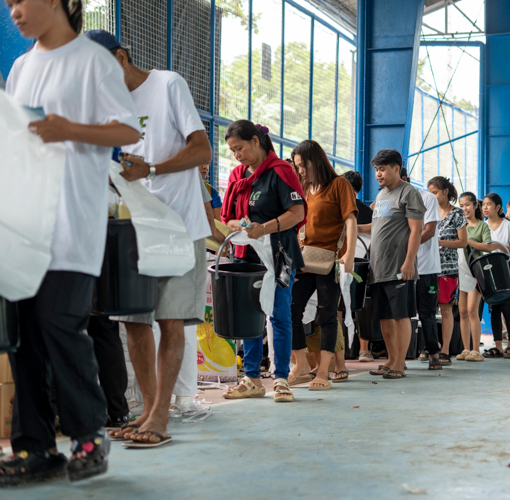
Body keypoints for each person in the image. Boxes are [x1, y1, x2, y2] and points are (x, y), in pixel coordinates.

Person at [1, 1, 140, 484]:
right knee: (23, 341)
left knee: (60, 324)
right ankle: (34, 448)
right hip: (23, 226)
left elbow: (128, 128)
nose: (13, 10)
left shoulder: (92, 61)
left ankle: (88, 435)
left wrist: (67, 129)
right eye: (9, 2)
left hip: (71, 226)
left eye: (22, 0)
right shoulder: (20, 68)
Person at [86, 30, 214, 448]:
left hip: (178, 226)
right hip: (135, 227)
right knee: (134, 323)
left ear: (120, 57)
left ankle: (161, 414)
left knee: (169, 319)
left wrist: (153, 170)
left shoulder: (167, 84)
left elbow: (202, 151)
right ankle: (145, 410)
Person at [221, 120, 307, 400]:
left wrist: (263, 228)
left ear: (256, 142)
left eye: (240, 148)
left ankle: (281, 378)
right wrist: (239, 225)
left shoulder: (280, 172)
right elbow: (226, 216)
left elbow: (297, 213)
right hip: (246, 255)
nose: (237, 155)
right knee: (250, 316)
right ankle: (252, 379)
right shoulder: (236, 175)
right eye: (233, 151)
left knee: (279, 314)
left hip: (279, 254)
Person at [288, 140, 357, 391]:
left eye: (303, 165)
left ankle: (325, 372)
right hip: (304, 261)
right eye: (297, 167)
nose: (301, 171)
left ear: (316, 160)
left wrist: (348, 254)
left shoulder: (339, 184)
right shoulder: (303, 188)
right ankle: (302, 363)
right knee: (289, 309)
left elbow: (350, 220)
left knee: (327, 314)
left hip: (330, 261)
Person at [358, 150, 425, 379]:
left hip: (399, 267)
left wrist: (408, 262)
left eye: (383, 169)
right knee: (385, 317)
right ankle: (390, 359)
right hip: (378, 268)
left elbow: (416, 230)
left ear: (397, 168)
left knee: (401, 315)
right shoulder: (381, 197)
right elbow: (375, 228)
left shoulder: (408, 193)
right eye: (376, 169)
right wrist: (353, 229)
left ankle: (400, 362)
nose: (378, 174)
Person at [400, 169, 442, 371]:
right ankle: (400, 358)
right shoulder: (388, 198)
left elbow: (430, 230)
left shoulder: (427, 198)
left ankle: (434, 354)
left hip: (426, 268)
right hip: (400, 268)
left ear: (404, 179)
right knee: (402, 314)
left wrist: (409, 249)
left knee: (426, 314)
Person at [427, 176, 468, 366]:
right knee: (427, 309)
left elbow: (463, 242)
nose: (432, 196)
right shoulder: (428, 212)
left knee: (445, 309)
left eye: (434, 192)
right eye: (430, 193)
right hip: (428, 267)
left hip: (448, 268)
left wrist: (439, 243)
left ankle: (445, 350)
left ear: (445, 192)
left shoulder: (457, 214)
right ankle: (430, 347)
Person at [341, 170, 375, 362]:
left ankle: (364, 348)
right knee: (338, 305)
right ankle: (342, 350)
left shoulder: (365, 211)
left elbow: (374, 231)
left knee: (359, 305)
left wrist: (353, 229)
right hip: (339, 261)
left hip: (359, 264)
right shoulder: (336, 206)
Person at [482, 193, 510, 358]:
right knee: (493, 308)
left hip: (505, 269)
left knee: (506, 307)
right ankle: (498, 346)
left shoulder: (508, 226)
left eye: (489, 204)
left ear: (498, 207)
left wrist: (499, 247)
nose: (485, 207)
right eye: (483, 204)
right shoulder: (482, 226)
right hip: (488, 270)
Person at [456, 192, 492, 362]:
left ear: (475, 205)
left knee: (472, 310)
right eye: (461, 205)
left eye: (467, 205)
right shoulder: (459, 226)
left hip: (476, 272)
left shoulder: (482, 226)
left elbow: (489, 247)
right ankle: (465, 348)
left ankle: (476, 350)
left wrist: (467, 241)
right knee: (462, 311)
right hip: (460, 271)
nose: (464, 208)